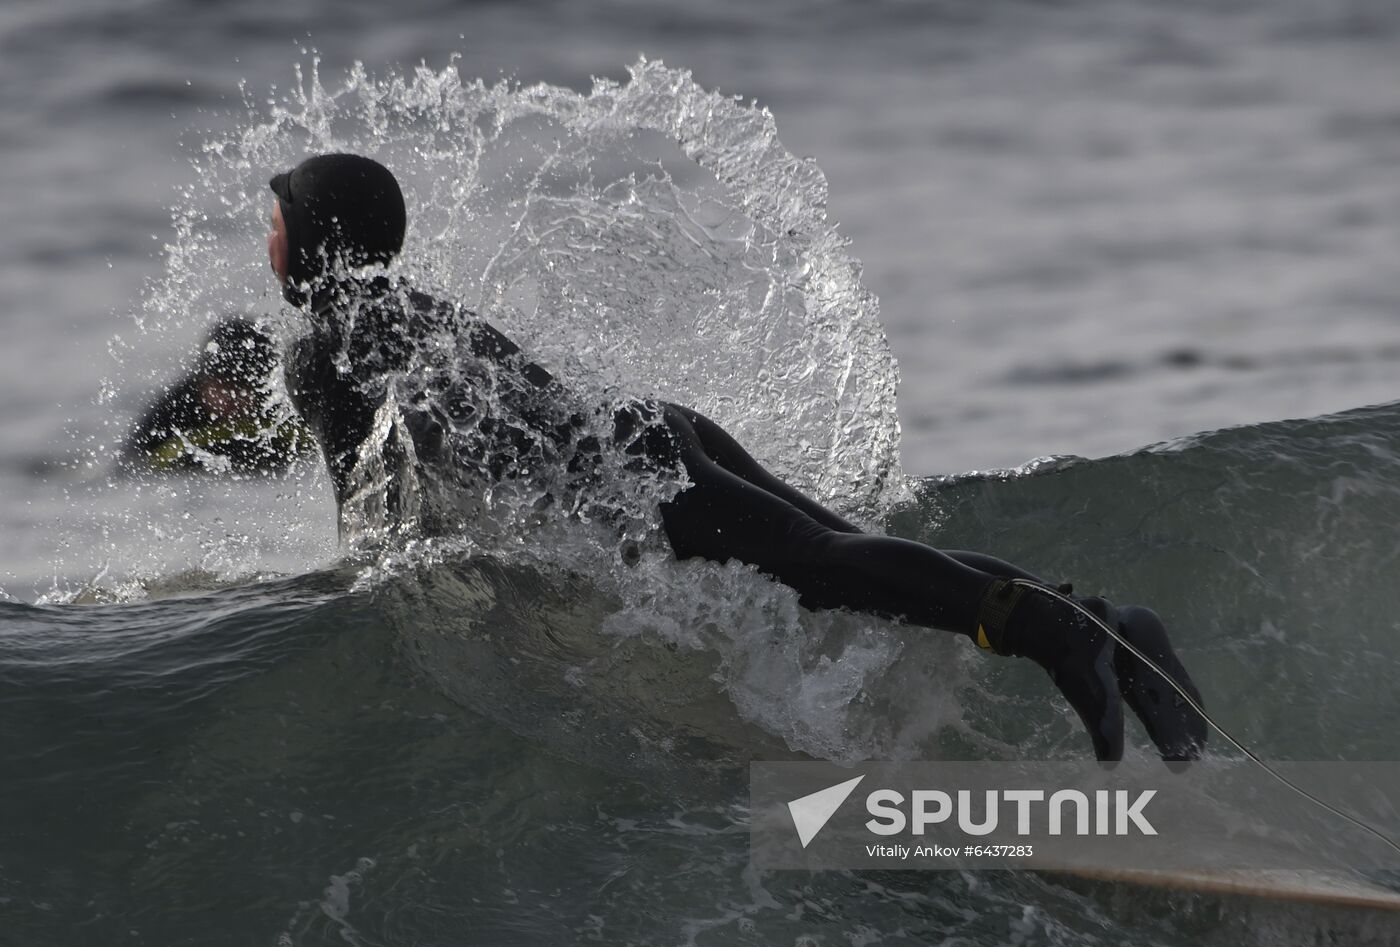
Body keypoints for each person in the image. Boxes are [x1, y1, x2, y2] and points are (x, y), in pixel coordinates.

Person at [265, 153, 1207, 762]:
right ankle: (1103, 623)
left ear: (315, 235)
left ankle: (1057, 633)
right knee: (841, 553)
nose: (266, 239)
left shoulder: (323, 347)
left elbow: (369, 508)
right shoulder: (413, 309)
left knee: (824, 569)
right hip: (653, 432)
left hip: (631, 478)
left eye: (278, 219)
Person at [119, 316, 313, 474]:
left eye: (243, 387)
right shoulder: (175, 411)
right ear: (203, 382)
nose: (232, 398)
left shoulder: (283, 405)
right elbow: (131, 467)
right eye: (222, 386)